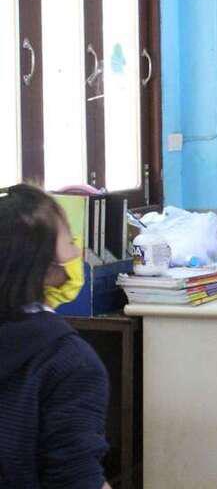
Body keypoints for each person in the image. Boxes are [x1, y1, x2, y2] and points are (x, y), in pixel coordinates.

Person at [0, 184, 111, 489]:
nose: (78, 252)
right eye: (70, 242)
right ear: (44, 267)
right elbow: (76, 478)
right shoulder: (70, 363)